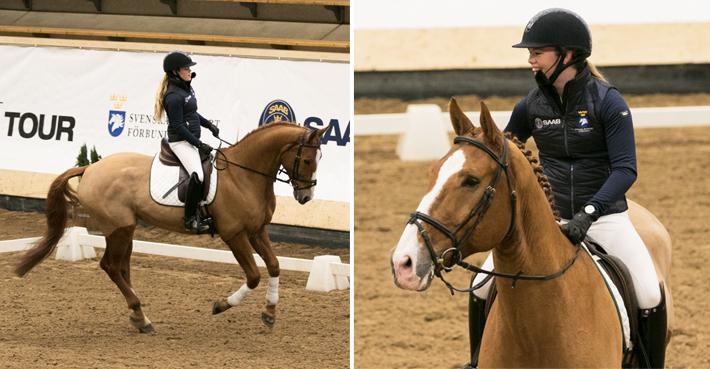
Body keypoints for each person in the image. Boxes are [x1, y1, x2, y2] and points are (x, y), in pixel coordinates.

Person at [464, 8, 666, 369]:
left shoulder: (608, 102)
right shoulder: (531, 105)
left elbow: (625, 170)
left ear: (567, 55)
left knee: (649, 290)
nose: (530, 60)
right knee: (481, 286)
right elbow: (504, 154)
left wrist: (589, 213)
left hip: (604, 217)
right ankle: (477, 360)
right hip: (549, 219)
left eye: (537, 52)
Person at [153, 51, 220, 234]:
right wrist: (199, 144)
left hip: (191, 140)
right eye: (186, 68)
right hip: (180, 142)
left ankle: (205, 211)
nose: (189, 71)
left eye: (189, 68)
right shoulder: (173, 96)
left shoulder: (186, 88)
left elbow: (192, 113)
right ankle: (190, 219)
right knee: (197, 175)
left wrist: (209, 126)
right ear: (175, 72)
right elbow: (179, 126)